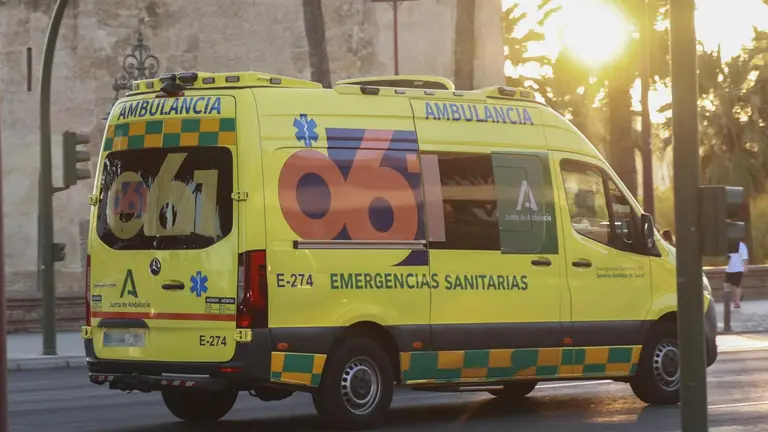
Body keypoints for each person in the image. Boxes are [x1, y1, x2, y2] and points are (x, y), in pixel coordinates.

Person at [725, 241, 749, 308]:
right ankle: (733, 298)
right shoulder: (727, 245)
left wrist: (745, 266)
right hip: (729, 269)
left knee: (737, 285)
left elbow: (745, 257)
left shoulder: (741, 245)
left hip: (738, 268)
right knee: (728, 285)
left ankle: (737, 302)